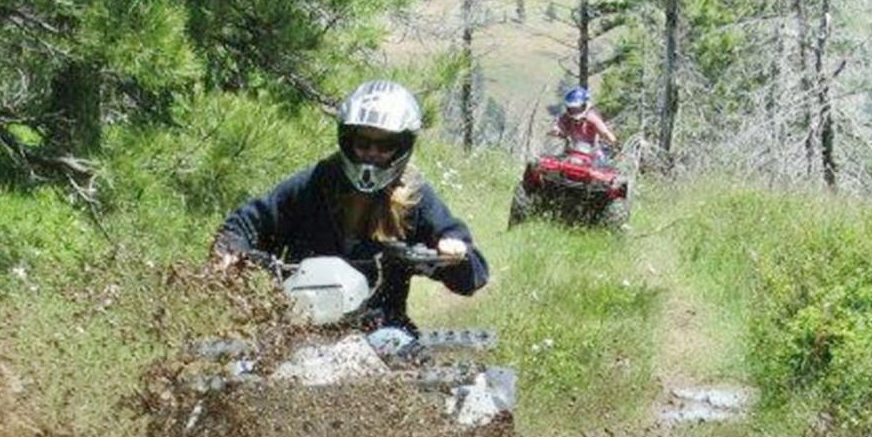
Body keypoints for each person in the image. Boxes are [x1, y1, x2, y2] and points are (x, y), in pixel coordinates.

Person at [211, 79, 489, 336]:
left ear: (402, 146)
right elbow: (248, 221)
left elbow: (471, 275)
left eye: (385, 145)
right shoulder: (313, 184)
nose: (372, 153)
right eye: (363, 143)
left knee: (427, 379)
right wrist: (230, 249)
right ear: (347, 140)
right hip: (299, 329)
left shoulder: (415, 198)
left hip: (382, 331)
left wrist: (455, 253)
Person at [552, 86, 616, 159]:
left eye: (577, 108)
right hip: (573, 150)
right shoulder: (566, 117)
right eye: (572, 109)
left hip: (593, 152)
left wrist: (614, 143)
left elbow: (605, 132)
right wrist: (557, 131)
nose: (575, 111)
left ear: (584, 105)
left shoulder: (591, 117)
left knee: (601, 160)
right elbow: (557, 127)